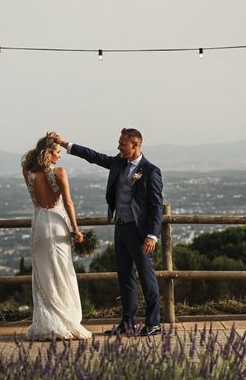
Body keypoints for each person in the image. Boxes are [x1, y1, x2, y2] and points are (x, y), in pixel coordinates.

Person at [57, 128, 163, 336]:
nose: (118, 147)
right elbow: (94, 157)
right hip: (121, 227)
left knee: (146, 276)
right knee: (125, 277)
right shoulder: (118, 162)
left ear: (136, 145)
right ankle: (128, 323)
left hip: (140, 233)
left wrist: (152, 235)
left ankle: (154, 322)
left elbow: (156, 206)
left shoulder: (151, 171)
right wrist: (66, 145)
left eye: (122, 144)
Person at [21, 132, 92, 341]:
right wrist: (76, 229)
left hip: (40, 227)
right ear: (48, 153)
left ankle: (47, 322)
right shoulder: (59, 173)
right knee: (61, 271)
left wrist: (46, 140)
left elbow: (27, 158)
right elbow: (68, 203)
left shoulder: (28, 172)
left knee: (43, 275)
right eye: (57, 152)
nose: (60, 156)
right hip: (58, 224)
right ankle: (65, 319)